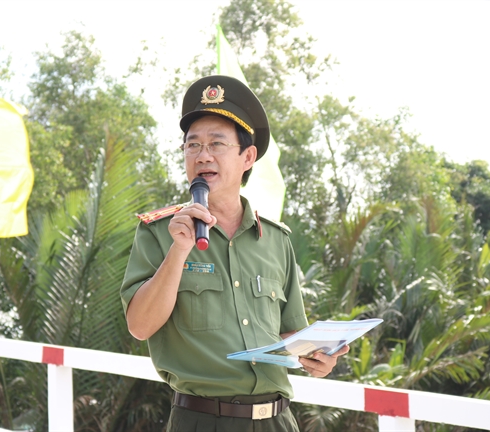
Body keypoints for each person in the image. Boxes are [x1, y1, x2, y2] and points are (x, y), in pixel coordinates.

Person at [120, 75, 348, 431]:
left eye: (216, 144)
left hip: (277, 421)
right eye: (192, 145)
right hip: (201, 421)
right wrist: (179, 251)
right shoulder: (160, 233)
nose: (202, 155)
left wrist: (317, 355)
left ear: (248, 156)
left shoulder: (275, 240)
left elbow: (289, 335)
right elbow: (140, 326)